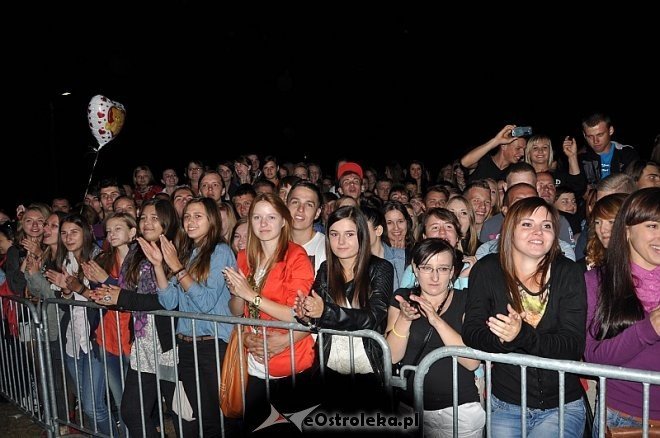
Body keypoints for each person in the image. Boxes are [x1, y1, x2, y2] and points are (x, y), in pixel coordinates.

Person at [463, 197, 587, 436]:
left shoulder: (568, 272)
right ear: (510, 229)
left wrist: (522, 335)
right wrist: (501, 339)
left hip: (561, 405)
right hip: (506, 404)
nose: (538, 232)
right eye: (527, 224)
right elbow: (472, 331)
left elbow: (572, 345)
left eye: (547, 225)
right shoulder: (487, 269)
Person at [141, 197, 237, 437]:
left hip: (213, 346)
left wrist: (177, 268)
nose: (190, 221)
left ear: (212, 220)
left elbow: (205, 303)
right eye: (187, 216)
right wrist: (158, 265)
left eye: (198, 216)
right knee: (204, 418)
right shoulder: (188, 253)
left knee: (222, 418)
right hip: (186, 346)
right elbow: (169, 301)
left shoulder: (220, 251)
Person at [222, 193, 316, 430]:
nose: (263, 224)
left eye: (271, 217)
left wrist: (249, 293)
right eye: (257, 217)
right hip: (254, 360)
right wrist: (237, 293)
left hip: (290, 364)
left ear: (284, 221)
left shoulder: (296, 256)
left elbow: (296, 313)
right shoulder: (244, 257)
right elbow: (236, 310)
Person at [90, 198, 179, 438]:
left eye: (154, 217)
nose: (147, 222)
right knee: (131, 410)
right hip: (143, 338)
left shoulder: (175, 249)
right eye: (144, 218)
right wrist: (109, 293)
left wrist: (120, 297)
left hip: (169, 341)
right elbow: (127, 294)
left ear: (167, 221)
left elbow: (169, 302)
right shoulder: (136, 252)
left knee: (181, 412)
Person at [295, 206, 394, 412]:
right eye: (334, 234)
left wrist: (324, 312)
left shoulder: (381, 268)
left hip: (368, 370)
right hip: (330, 367)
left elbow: (374, 316)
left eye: (349, 234)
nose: (341, 242)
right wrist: (305, 312)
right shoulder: (325, 270)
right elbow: (316, 315)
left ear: (361, 236)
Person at [387, 238, 484, 437]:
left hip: (459, 410)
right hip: (411, 408)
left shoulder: (466, 299)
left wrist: (436, 320)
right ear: (415, 268)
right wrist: (404, 320)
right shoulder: (403, 298)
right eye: (426, 267)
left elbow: (472, 362)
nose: (434, 276)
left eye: (442, 269)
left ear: (452, 272)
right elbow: (391, 357)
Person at [584, 187, 660, 434]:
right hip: (623, 418)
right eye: (653, 226)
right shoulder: (598, 281)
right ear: (627, 231)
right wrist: (649, 329)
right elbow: (594, 356)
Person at [578, 112, 639, 188]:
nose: (595, 141)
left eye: (600, 135)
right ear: (584, 135)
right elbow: (576, 189)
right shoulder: (580, 157)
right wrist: (572, 158)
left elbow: (633, 185)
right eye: (590, 136)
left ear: (610, 131)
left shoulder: (627, 153)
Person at [460, 124, 526, 183]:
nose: (522, 153)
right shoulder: (484, 160)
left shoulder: (514, 170)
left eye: (523, 149)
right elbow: (465, 162)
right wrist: (496, 141)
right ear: (504, 146)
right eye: (518, 148)